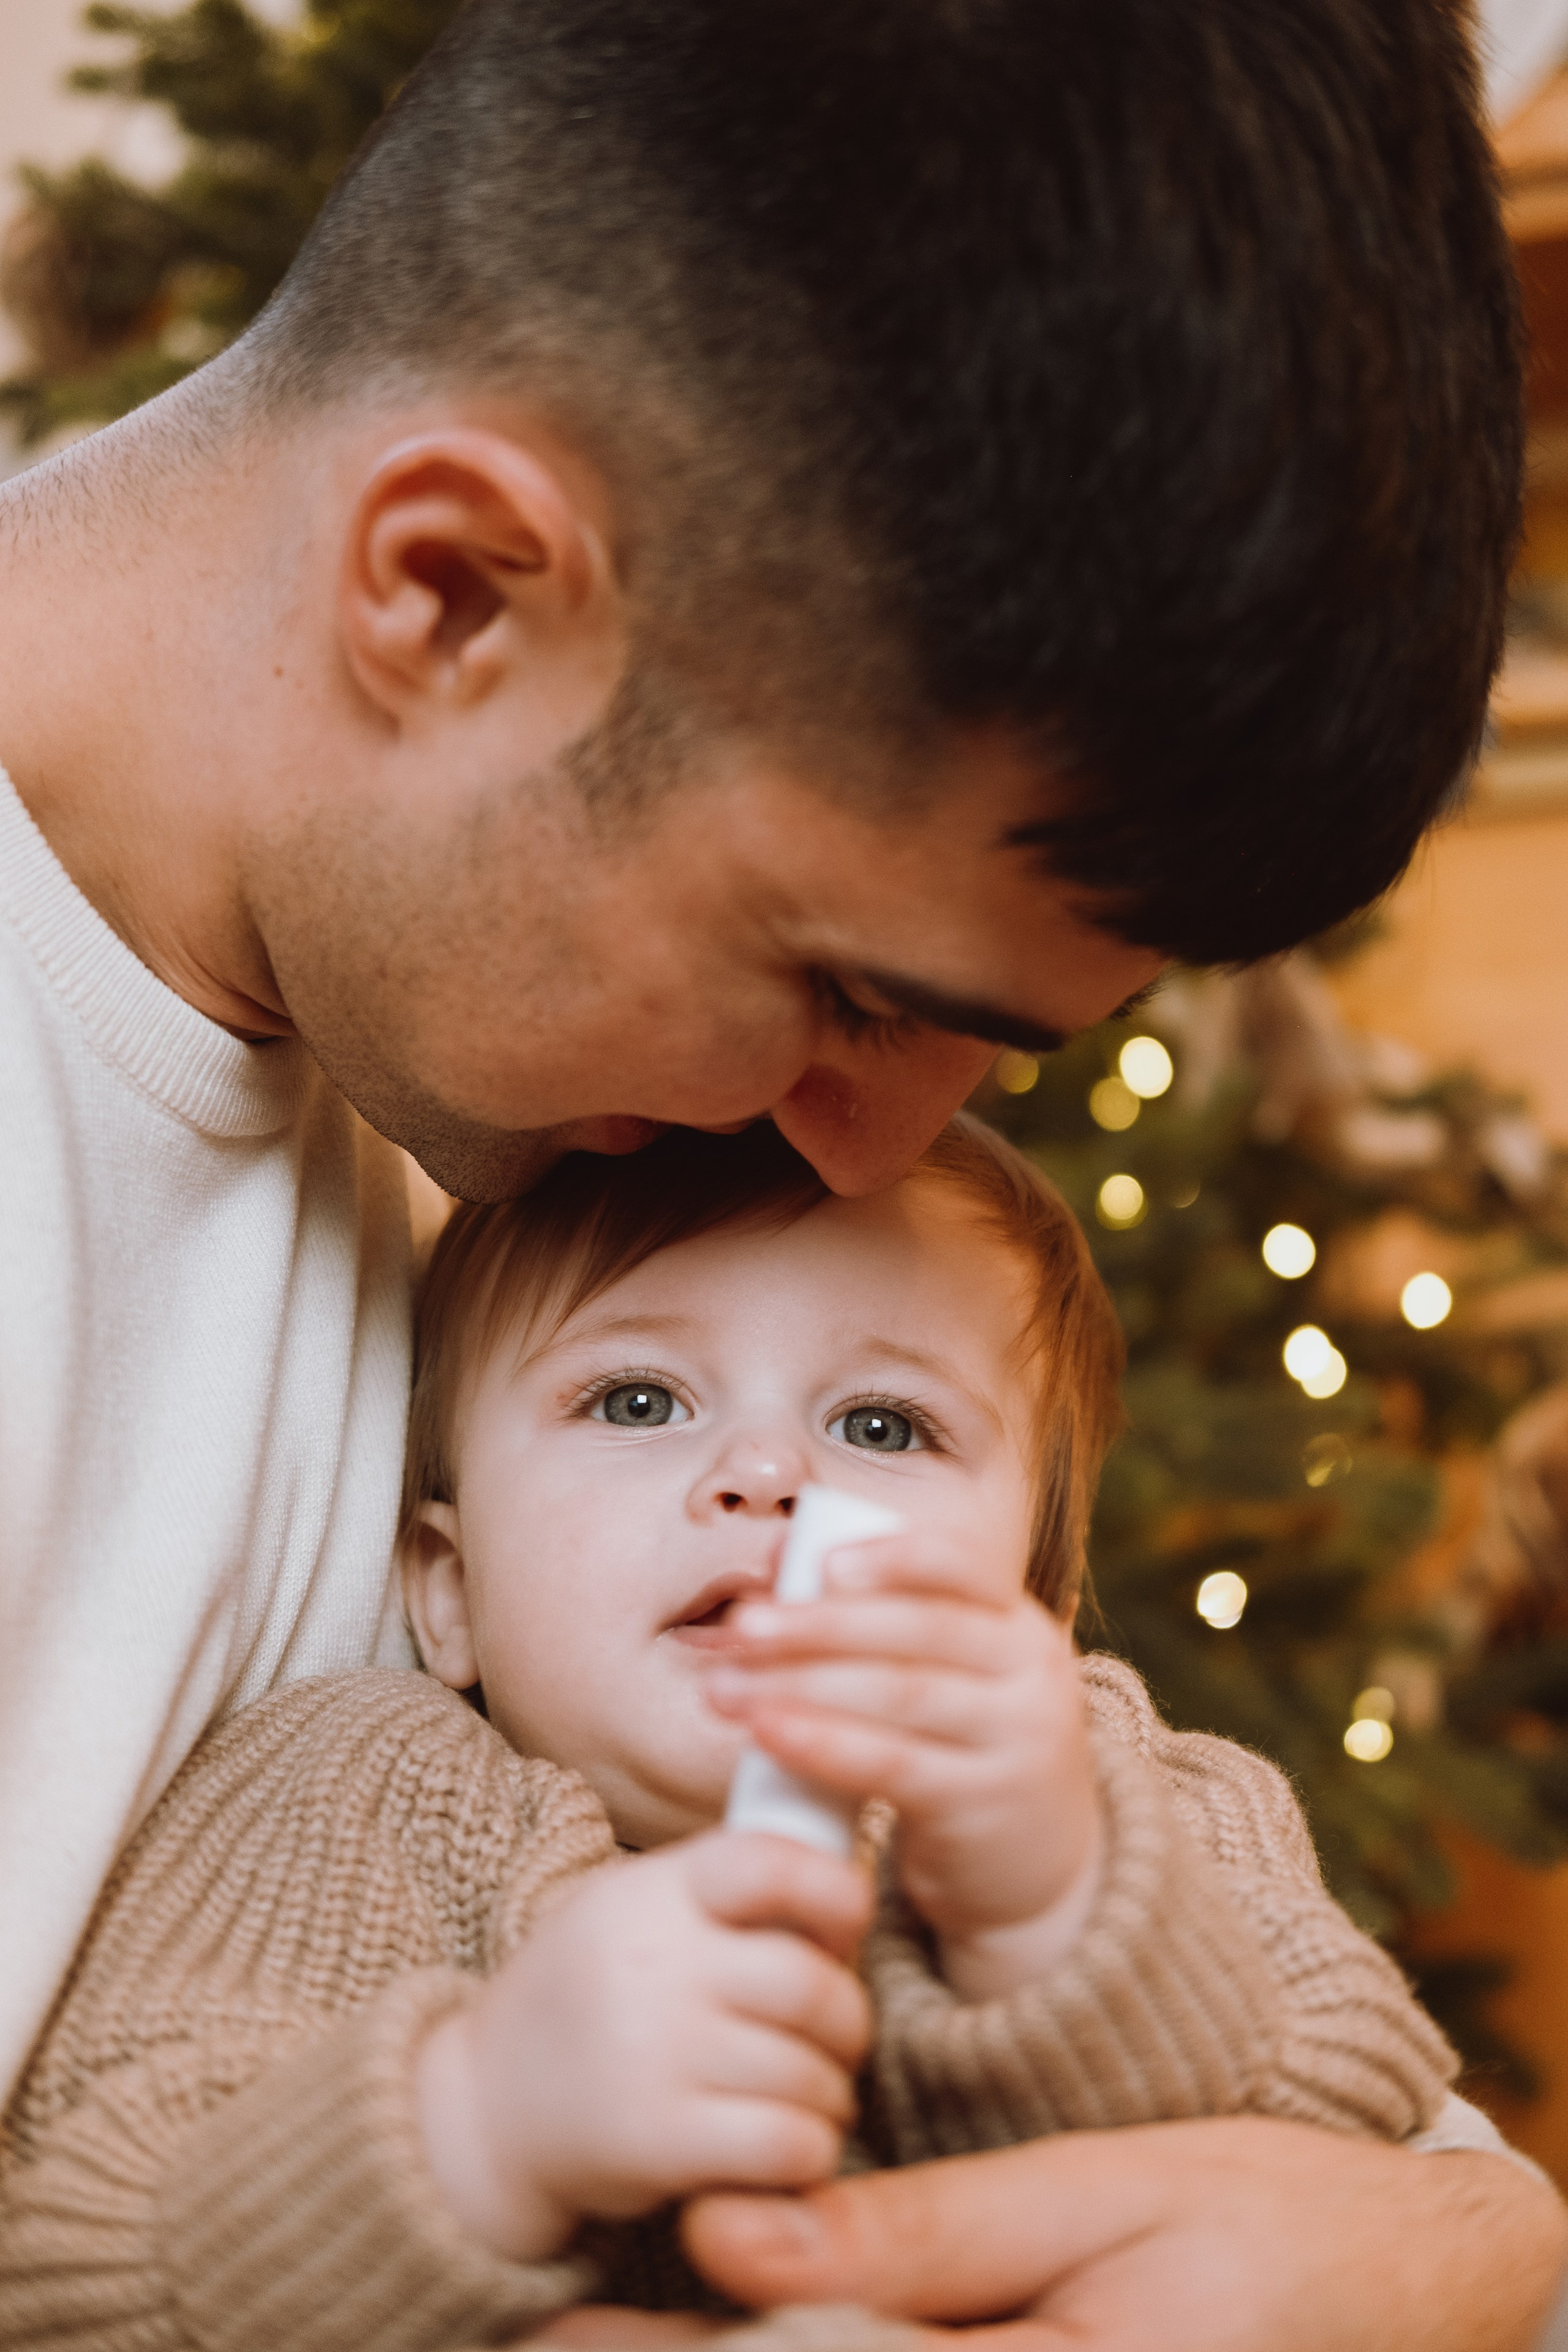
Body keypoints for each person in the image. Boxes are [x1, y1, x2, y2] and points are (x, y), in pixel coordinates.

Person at [0, 0, 1557, 2340]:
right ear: (453, 592)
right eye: (844, 986)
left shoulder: (499, 1091)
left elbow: (1391, 2155)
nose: (862, 1152)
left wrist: (1470, 2247)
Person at [0, 1121, 1466, 2348]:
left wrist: (1043, 1914)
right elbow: (85, 2253)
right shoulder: (347, 1793)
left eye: (882, 1427)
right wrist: (479, 2123)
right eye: (636, 1399)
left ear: (1032, 1602)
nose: (765, 1473)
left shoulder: (1125, 1790)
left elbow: (1350, 2136)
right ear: (446, 1592)